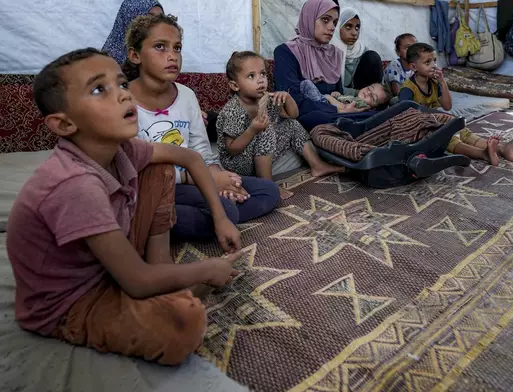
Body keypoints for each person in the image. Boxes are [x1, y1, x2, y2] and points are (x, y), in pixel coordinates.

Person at [6, 48, 242, 365]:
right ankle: (164, 285)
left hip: (107, 266)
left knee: (160, 167)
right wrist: (208, 269)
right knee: (183, 322)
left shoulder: (124, 149)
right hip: (71, 302)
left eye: (120, 84)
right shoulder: (75, 185)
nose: (122, 96)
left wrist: (219, 218)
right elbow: (136, 281)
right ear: (63, 125)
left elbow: (188, 157)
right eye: (99, 89)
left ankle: (162, 268)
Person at [125, 14, 280, 240]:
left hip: (194, 181)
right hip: (153, 190)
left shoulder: (186, 96)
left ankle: (172, 222)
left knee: (268, 191)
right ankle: (163, 221)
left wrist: (218, 177)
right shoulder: (122, 101)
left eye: (177, 48)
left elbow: (202, 150)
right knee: (225, 210)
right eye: (160, 47)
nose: (172, 56)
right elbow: (135, 167)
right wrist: (201, 180)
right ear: (135, 55)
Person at [217, 51, 344, 200]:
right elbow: (231, 149)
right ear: (235, 85)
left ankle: (317, 165)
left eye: (263, 74)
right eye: (251, 76)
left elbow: (293, 115)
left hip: (256, 154)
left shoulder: (266, 99)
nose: (260, 80)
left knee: (291, 124)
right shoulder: (233, 110)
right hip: (237, 163)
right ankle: (267, 183)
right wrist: (253, 129)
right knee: (265, 129)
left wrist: (288, 98)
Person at [400, 43, 513, 165]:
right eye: (427, 62)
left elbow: (447, 106)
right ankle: (483, 154)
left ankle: (503, 149)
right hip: (419, 130)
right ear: (413, 67)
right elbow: (406, 117)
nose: (433, 66)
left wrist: (442, 81)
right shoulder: (408, 89)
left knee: (461, 130)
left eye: (434, 61)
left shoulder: (434, 83)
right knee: (448, 139)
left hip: (435, 122)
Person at [273, 0, 374, 132]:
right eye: (325, 20)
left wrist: (345, 105)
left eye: (334, 22)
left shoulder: (334, 54)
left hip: (338, 114)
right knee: (318, 117)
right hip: (307, 115)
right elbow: (291, 101)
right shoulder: (286, 51)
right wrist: (337, 109)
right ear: (309, 18)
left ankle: (364, 123)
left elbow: (339, 94)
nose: (332, 27)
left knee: (374, 112)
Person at [330, 8, 383, 96]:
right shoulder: (329, 49)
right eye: (348, 27)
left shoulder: (361, 49)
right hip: (337, 92)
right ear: (338, 27)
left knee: (373, 56)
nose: (354, 33)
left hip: (365, 92)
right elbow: (329, 87)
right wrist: (357, 93)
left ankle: (374, 98)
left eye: (357, 28)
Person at [102, 0, 164, 74]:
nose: (158, 23)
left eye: (161, 18)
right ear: (131, 19)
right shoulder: (107, 63)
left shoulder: (162, 52)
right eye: (150, 18)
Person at [300, 80, 390, 110]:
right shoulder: (355, 99)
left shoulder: (361, 105)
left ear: (374, 108)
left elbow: (343, 108)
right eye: (369, 89)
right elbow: (343, 101)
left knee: (306, 83)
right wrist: (337, 96)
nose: (368, 93)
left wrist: (330, 97)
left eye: (373, 97)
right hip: (325, 103)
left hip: (324, 105)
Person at [383, 33, 417, 98]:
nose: (413, 50)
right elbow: (397, 92)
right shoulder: (394, 65)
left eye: (415, 47)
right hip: (393, 99)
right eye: (407, 48)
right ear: (398, 52)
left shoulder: (416, 66)